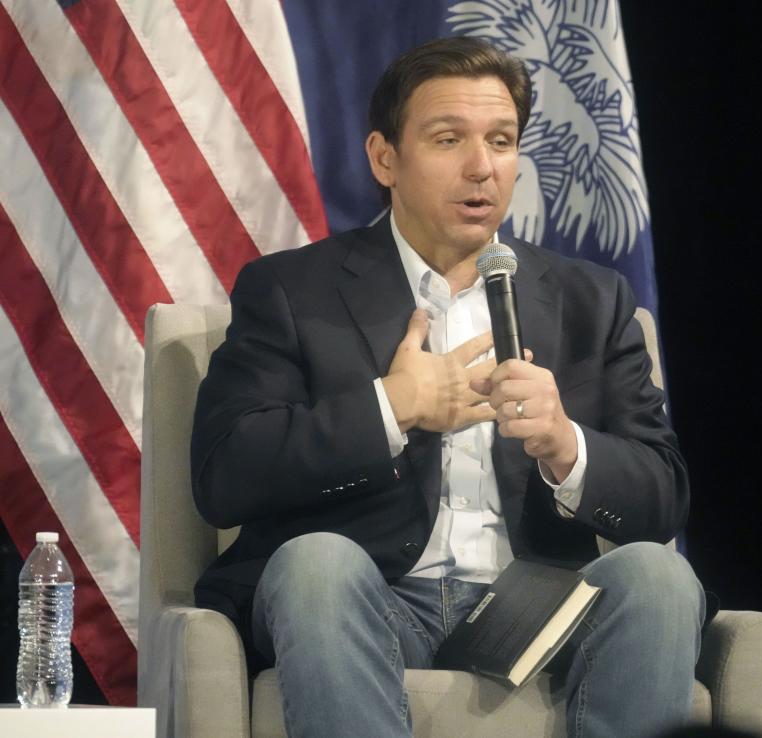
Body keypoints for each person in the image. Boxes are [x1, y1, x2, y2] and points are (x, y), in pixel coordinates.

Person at [191, 37, 705, 738]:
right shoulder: (291, 290)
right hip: (372, 599)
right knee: (315, 563)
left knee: (660, 578)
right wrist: (391, 407)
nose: (481, 167)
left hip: (532, 607)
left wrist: (567, 446)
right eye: (447, 139)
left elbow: (663, 497)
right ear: (384, 159)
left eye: (501, 140)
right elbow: (226, 473)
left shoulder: (592, 301)